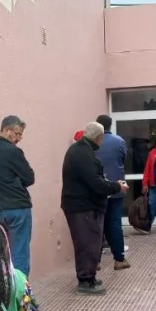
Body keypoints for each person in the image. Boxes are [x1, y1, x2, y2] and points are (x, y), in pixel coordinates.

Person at [61, 122, 128, 295]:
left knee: (88, 243)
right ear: (99, 138)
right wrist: (116, 187)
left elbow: (94, 179)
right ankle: (85, 281)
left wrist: (111, 184)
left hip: (81, 206)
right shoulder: (83, 153)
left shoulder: (80, 150)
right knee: (87, 244)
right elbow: (96, 183)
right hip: (82, 208)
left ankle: (88, 277)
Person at [0, 115, 36, 277]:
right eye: (17, 133)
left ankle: (3, 287)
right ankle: (19, 293)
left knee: (2, 252)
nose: (19, 138)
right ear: (6, 130)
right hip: (18, 208)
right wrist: (17, 180)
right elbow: (29, 178)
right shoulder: (13, 151)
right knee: (19, 250)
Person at [95, 115, 130, 270]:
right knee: (114, 224)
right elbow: (123, 159)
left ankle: (95, 262)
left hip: (97, 190)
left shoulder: (92, 143)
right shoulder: (119, 141)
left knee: (97, 225)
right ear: (111, 125)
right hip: (116, 188)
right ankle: (119, 259)